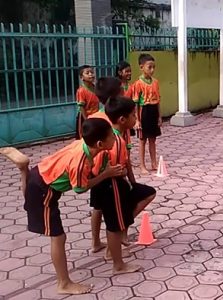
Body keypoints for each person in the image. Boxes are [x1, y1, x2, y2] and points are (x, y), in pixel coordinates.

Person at [0, 118, 123, 295]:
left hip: (40, 173)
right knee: (58, 237)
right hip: (45, 189)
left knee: (30, 200)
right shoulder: (80, 161)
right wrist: (106, 174)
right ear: (100, 143)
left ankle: (24, 168)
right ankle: (63, 283)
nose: (115, 138)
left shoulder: (82, 144)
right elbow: (80, 188)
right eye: (112, 136)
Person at [91, 96, 156, 274]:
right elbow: (109, 167)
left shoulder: (114, 136)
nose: (136, 119)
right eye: (133, 115)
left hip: (111, 184)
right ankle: (117, 263)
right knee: (115, 226)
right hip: (111, 185)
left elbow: (124, 164)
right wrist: (118, 179)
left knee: (116, 223)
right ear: (122, 119)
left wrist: (132, 182)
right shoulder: (115, 141)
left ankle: (113, 253)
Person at [131, 54, 162, 173]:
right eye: (149, 67)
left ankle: (154, 163)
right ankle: (142, 165)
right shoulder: (137, 84)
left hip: (153, 111)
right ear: (141, 67)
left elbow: (158, 100)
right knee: (142, 140)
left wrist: (159, 116)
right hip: (144, 112)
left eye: (154, 67)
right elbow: (136, 104)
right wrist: (137, 120)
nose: (152, 70)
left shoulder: (155, 82)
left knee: (153, 139)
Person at [75, 65, 99, 140]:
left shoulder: (95, 88)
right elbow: (81, 107)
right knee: (84, 138)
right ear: (82, 77)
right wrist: (86, 120)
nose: (90, 74)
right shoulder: (81, 91)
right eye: (87, 73)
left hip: (95, 115)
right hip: (84, 117)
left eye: (92, 72)